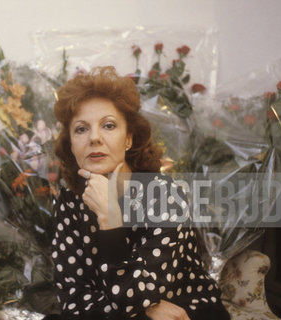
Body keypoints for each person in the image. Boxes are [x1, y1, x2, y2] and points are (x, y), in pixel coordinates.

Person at [47, 66, 230, 320]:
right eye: (81, 129)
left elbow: (136, 297)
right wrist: (149, 308)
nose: (95, 138)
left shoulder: (165, 196)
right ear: (71, 144)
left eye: (108, 126)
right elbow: (73, 301)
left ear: (128, 139)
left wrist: (110, 217)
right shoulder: (69, 202)